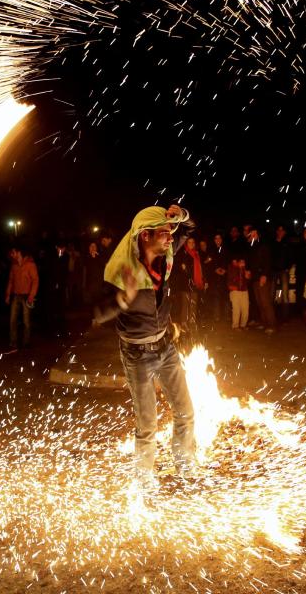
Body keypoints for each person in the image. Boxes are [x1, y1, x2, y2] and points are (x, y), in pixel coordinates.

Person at [93, 204, 197, 493]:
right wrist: (122, 299)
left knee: (186, 412)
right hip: (137, 354)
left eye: (169, 233)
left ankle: (186, 467)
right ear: (145, 235)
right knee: (147, 425)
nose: (170, 238)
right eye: (164, 233)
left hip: (166, 347)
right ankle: (144, 483)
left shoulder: (165, 251)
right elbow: (98, 314)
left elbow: (189, 228)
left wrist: (181, 215)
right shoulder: (119, 269)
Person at [5, 246, 39, 349]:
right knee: (12, 320)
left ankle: (26, 342)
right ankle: (13, 341)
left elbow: (35, 280)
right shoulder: (14, 265)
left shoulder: (30, 264)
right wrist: (7, 295)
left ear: (18, 252)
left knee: (26, 321)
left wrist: (31, 296)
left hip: (26, 296)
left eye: (13, 252)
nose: (11, 255)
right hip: (16, 295)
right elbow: (11, 280)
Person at [246, 226, 276, 334]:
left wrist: (264, 275)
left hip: (262, 277)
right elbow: (250, 261)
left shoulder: (263, 245)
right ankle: (265, 323)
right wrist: (248, 270)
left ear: (258, 234)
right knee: (259, 302)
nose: (253, 235)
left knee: (265, 301)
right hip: (254, 278)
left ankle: (272, 325)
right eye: (251, 233)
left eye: (255, 232)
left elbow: (267, 261)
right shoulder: (251, 246)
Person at [227, 257, 249, 329]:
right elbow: (230, 278)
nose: (243, 263)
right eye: (241, 261)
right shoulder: (232, 267)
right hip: (235, 290)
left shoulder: (245, 269)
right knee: (236, 309)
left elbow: (248, 278)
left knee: (245, 309)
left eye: (244, 262)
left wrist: (247, 274)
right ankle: (235, 326)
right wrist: (239, 268)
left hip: (244, 291)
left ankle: (243, 325)